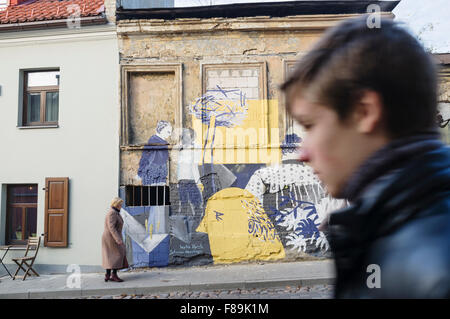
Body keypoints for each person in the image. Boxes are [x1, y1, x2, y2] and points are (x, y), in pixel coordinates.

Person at [281, 16, 450, 298]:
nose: (303, 154)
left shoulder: (432, 270)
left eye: (310, 126)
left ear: (365, 111)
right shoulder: (393, 231)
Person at [102, 197, 129, 282]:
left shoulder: (115, 212)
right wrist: (118, 239)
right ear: (116, 204)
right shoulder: (112, 213)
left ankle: (108, 275)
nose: (121, 206)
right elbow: (111, 227)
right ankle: (113, 275)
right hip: (111, 238)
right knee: (116, 255)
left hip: (112, 237)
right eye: (120, 204)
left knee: (111, 256)